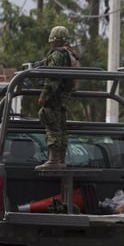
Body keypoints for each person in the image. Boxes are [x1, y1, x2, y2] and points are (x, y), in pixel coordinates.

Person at [35, 26, 78, 170]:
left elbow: (53, 78)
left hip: (55, 97)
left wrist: (44, 96)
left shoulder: (58, 55)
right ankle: (60, 160)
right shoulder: (69, 54)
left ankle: (54, 161)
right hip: (63, 97)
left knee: (52, 126)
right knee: (60, 128)